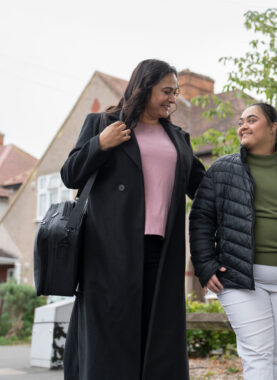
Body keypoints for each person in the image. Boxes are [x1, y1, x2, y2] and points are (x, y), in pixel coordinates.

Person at [60, 59, 205, 380]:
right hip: (109, 250)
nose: (173, 99)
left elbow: (204, 189)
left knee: (159, 333)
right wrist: (100, 144)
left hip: (162, 250)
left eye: (176, 92)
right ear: (144, 87)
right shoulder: (102, 123)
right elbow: (70, 175)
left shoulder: (178, 138)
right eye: (166, 91)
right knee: (111, 333)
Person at [190, 102, 277, 380]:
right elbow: (201, 219)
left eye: (251, 120)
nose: (243, 125)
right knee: (257, 354)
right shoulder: (221, 170)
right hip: (240, 278)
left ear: (273, 128)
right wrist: (204, 264)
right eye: (241, 121)